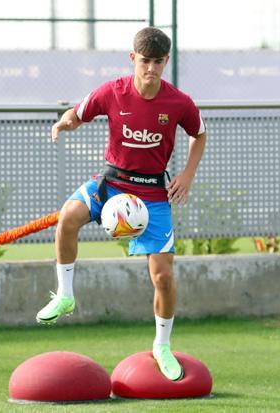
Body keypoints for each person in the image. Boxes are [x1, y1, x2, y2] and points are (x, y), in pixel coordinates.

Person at [36, 27, 207, 381]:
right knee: (68, 216)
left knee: (163, 276)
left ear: (166, 62)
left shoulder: (179, 103)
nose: (151, 70)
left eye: (158, 62)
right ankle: (65, 295)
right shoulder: (112, 92)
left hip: (152, 193)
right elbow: (78, 113)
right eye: (145, 61)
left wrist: (187, 175)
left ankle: (162, 345)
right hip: (112, 183)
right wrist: (63, 123)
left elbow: (199, 134)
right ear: (133, 59)